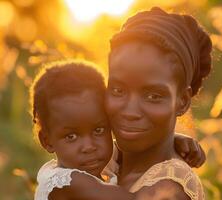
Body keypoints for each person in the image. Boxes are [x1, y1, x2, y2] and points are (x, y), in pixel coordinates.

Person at [31, 60, 205, 200]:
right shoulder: (67, 183)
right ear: (46, 141)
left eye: (98, 130)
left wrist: (172, 140)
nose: (89, 146)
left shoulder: (96, 159)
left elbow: (131, 150)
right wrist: (171, 182)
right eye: (71, 136)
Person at [105, 6, 212, 199]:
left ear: (182, 101)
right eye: (118, 90)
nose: (130, 111)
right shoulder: (109, 161)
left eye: (153, 96)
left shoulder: (168, 190)